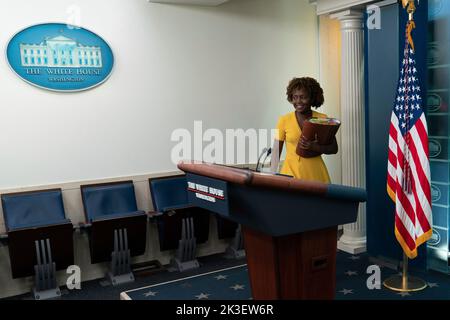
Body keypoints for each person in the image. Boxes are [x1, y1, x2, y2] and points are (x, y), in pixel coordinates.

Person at [270, 77, 338, 183]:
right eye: (295, 97)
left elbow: (334, 148)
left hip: (316, 175)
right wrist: (271, 179)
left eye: (303, 97)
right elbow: (275, 153)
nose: (298, 101)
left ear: (312, 98)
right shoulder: (284, 120)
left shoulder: (323, 119)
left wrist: (314, 147)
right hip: (290, 176)